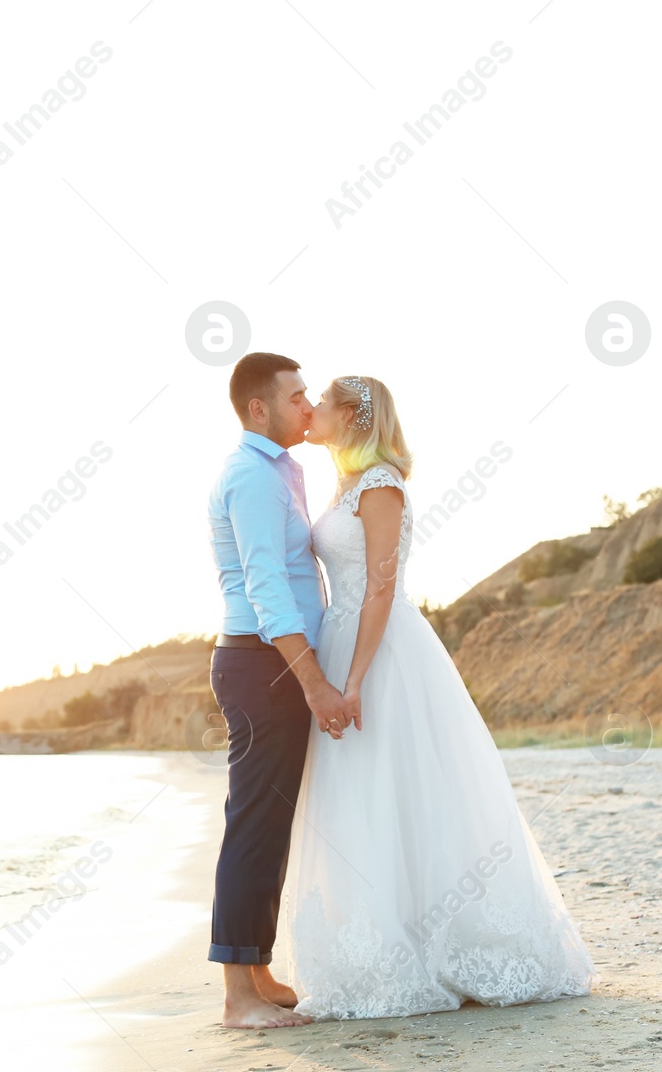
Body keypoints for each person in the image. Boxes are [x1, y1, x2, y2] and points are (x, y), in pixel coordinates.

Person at [278, 374, 599, 1019]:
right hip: (342, 642)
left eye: (322, 403)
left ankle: (449, 946)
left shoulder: (381, 486)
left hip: (382, 653)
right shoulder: (343, 484)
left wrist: (357, 678)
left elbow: (378, 589)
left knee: (410, 788)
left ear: (352, 416)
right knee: (363, 795)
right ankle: (380, 940)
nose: (310, 410)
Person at [205, 352, 349, 1029]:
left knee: (269, 820)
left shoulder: (281, 470)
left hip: (270, 663)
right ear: (259, 407)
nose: (307, 405)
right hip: (264, 666)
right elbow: (267, 590)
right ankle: (237, 997)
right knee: (254, 822)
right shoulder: (253, 479)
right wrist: (314, 682)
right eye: (296, 396)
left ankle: (256, 969)